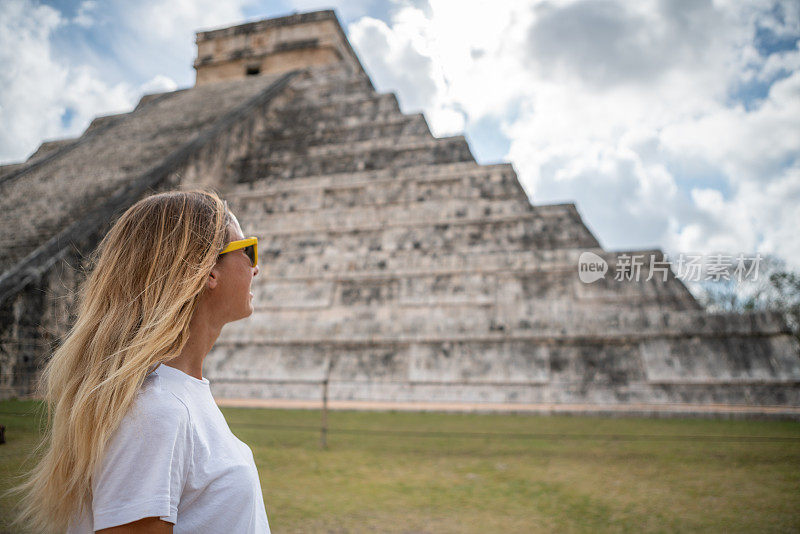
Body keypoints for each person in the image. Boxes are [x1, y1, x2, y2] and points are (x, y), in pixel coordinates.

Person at [8, 190, 270, 533]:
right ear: (208, 271)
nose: (256, 266)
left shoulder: (174, 397)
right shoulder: (155, 412)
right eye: (247, 249)